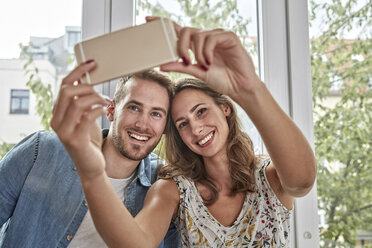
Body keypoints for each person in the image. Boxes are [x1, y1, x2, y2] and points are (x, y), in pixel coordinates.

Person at [54, 17, 317, 247]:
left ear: (225, 108)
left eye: (201, 111)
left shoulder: (268, 178)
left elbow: (302, 181)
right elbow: (136, 243)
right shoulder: (174, 190)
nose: (196, 127)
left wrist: (249, 90)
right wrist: (91, 174)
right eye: (182, 123)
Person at [0, 65, 179, 247]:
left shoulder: (166, 184)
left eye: (156, 114)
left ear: (165, 126)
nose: (143, 124)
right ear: (111, 111)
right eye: (134, 108)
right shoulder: (41, 150)